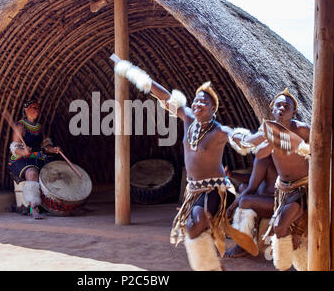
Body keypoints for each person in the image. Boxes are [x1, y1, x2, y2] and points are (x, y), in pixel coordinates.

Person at [113, 59, 255, 271]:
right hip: (194, 190)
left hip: (215, 188)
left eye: (204, 102)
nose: (198, 104)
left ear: (213, 107)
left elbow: (236, 136)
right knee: (192, 229)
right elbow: (165, 96)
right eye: (196, 100)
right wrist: (135, 74)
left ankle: (214, 253)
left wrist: (252, 139)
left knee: (197, 222)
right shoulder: (188, 118)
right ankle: (214, 267)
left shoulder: (218, 131)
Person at [231, 88, 311, 270]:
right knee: (279, 225)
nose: (282, 108)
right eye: (279, 105)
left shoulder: (302, 130)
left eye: (287, 106)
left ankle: (293, 264)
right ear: (272, 109)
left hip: (303, 189)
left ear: (293, 112)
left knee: (281, 226)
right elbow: (254, 148)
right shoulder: (265, 130)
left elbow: (320, 150)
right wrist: (237, 136)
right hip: (283, 191)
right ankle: (284, 262)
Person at [8, 100, 61, 219]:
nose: (36, 110)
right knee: (32, 173)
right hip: (21, 160)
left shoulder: (39, 127)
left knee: (56, 171)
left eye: (38, 108)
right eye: (33, 107)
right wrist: (24, 152)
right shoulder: (20, 126)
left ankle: (54, 204)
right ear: (25, 110)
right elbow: (14, 148)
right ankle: (34, 207)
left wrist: (53, 150)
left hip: (38, 158)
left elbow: (45, 146)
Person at [224, 156, 277, 258]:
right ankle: (247, 238)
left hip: (275, 202)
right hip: (267, 198)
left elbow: (251, 189)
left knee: (245, 201)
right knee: (242, 187)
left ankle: (243, 246)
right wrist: (231, 175)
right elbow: (254, 177)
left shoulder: (264, 158)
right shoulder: (265, 155)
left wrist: (230, 209)